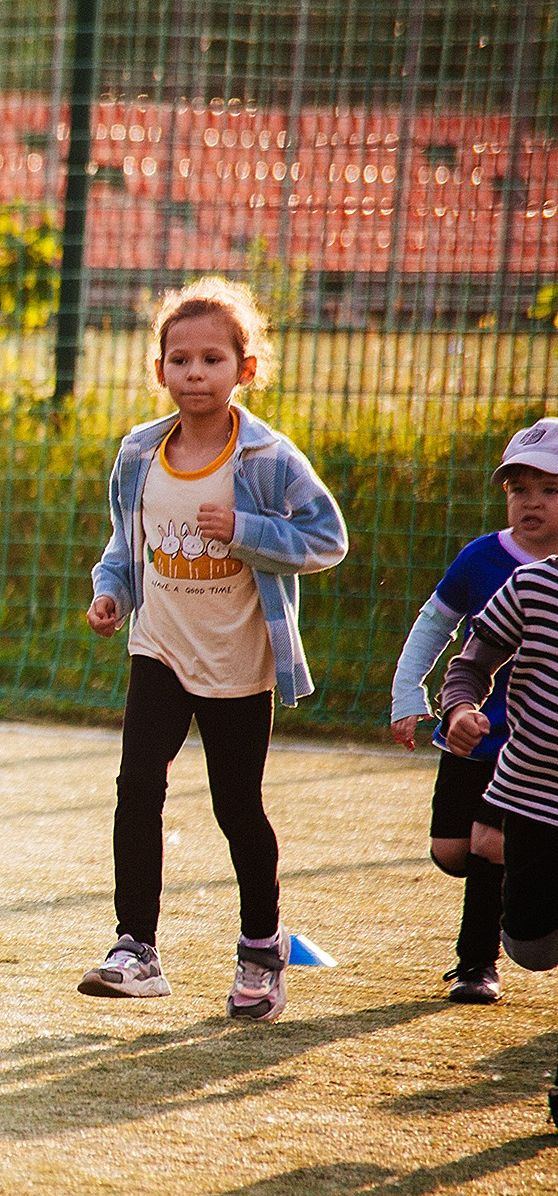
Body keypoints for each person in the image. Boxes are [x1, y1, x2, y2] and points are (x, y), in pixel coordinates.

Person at [80, 277, 348, 1022]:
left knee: (238, 807)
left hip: (238, 662)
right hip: (158, 648)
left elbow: (328, 540)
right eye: (180, 359)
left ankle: (262, 950)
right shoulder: (140, 451)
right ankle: (136, 947)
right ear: (159, 369)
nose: (195, 373)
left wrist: (246, 530)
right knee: (138, 784)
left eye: (212, 360)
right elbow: (124, 547)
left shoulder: (267, 457)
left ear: (245, 368)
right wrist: (111, 593)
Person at [388, 417, 558, 1004]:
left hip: (532, 751)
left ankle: (476, 965)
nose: (531, 502)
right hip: (473, 735)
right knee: (453, 852)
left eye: (550, 490)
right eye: (519, 489)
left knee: (489, 847)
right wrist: (410, 696)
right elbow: (435, 627)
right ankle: (536, 870)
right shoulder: (483, 559)